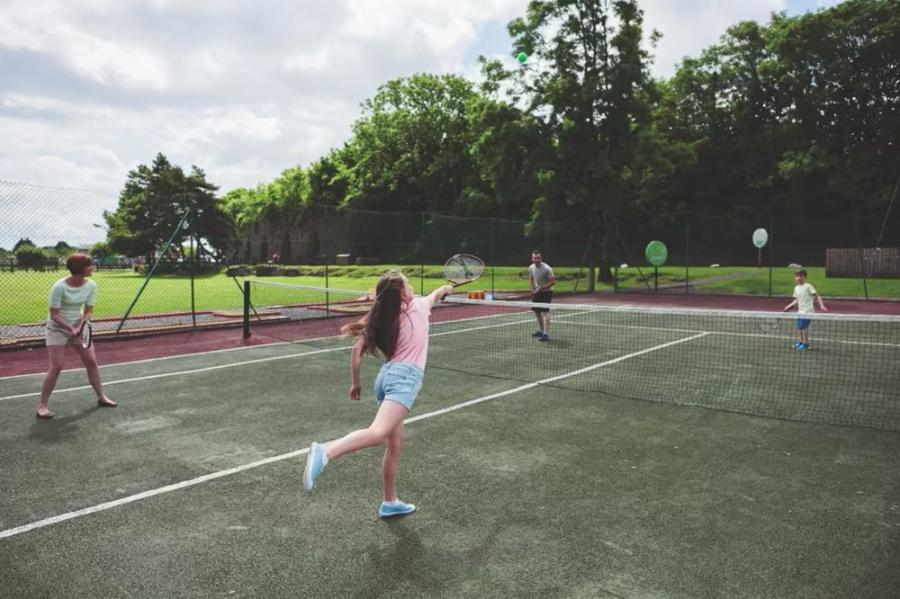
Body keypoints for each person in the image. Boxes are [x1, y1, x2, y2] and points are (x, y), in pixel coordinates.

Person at [303, 271, 453, 518]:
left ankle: (389, 502)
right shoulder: (417, 306)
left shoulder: (384, 316)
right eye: (408, 284)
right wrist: (444, 289)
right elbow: (436, 295)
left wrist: (355, 384)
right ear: (403, 293)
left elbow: (356, 350)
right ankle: (325, 452)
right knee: (378, 433)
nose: (412, 287)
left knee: (394, 445)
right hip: (404, 379)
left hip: (386, 377)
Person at [37, 253, 116, 419]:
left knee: (91, 361)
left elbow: (88, 311)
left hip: (79, 326)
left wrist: (79, 327)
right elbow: (54, 315)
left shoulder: (91, 285)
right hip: (57, 328)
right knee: (56, 366)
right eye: (89, 265)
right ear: (81, 269)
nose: (92, 267)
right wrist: (70, 329)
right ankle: (42, 406)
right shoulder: (59, 287)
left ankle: (101, 397)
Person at [783, 269, 827, 351]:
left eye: (801, 276)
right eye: (797, 276)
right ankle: (800, 342)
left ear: (805, 277)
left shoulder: (808, 286)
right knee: (799, 328)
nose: (799, 278)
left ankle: (805, 344)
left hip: (808, 311)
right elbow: (796, 300)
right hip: (800, 312)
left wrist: (822, 306)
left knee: (803, 328)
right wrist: (789, 306)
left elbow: (817, 296)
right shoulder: (796, 288)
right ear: (795, 278)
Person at [529, 250, 555, 341]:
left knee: (544, 312)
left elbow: (552, 282)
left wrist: (542, 288)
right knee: (537, 312)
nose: (536, 260)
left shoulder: (547, 268)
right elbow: (532, 279)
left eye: (538, 258)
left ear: (541, 258)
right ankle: (541, 330)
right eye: (534, 258)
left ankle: (545, 334)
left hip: (547, 292)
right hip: (537, 292)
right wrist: (533, 289)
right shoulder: (531, 267)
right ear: (532, 258)